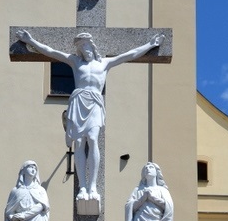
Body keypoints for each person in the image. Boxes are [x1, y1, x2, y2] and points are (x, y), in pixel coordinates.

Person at [15, 29, 164, 205]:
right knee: (79, 143)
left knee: (93, 139)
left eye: (86, 46)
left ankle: (92, 186)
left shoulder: (105, 63)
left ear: (92, 47)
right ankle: (82, 186)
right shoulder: (75, 61)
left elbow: (130, 54)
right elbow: (51, 52)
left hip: (94, 103)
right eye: (81, 47)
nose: (84, 50)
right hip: (79, 102)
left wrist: (150, 45)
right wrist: (30, 41)